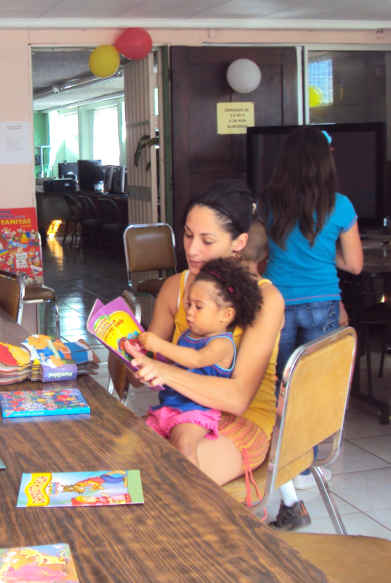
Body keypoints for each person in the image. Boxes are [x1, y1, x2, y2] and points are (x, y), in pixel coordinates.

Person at [122, 179, 285, 487]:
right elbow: (136, 375)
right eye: (187, 235)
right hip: (178, 412)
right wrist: (131, 356)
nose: (192, 250)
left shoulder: (266, 299)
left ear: (238, 243)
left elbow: (237, 399)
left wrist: (164, 371)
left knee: (162, 483)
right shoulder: (176, 288)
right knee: (114, 472)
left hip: (242, 419)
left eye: (207, 241)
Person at [259, 125, 363, 531]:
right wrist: (325, 259)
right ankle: (310, 462)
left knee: (280, 386)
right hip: (323, 304)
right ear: (324, 161)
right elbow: (355, 264)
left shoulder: (268, 203)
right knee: (315, 385)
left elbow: (259, 254)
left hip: (279, 304)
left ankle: (287, 462)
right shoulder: (340, 206)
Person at [136, 257, 263, 468]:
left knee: (184, 444)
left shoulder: (222, 344)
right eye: (188, 304)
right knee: (134, 440)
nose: (190, 312)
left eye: (199, 306)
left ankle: (195, 495)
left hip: (196, 410)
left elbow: (195, 360)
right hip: (170, 405)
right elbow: (177, 361)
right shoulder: (189, 334)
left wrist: (159, 344)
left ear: (226, 315)